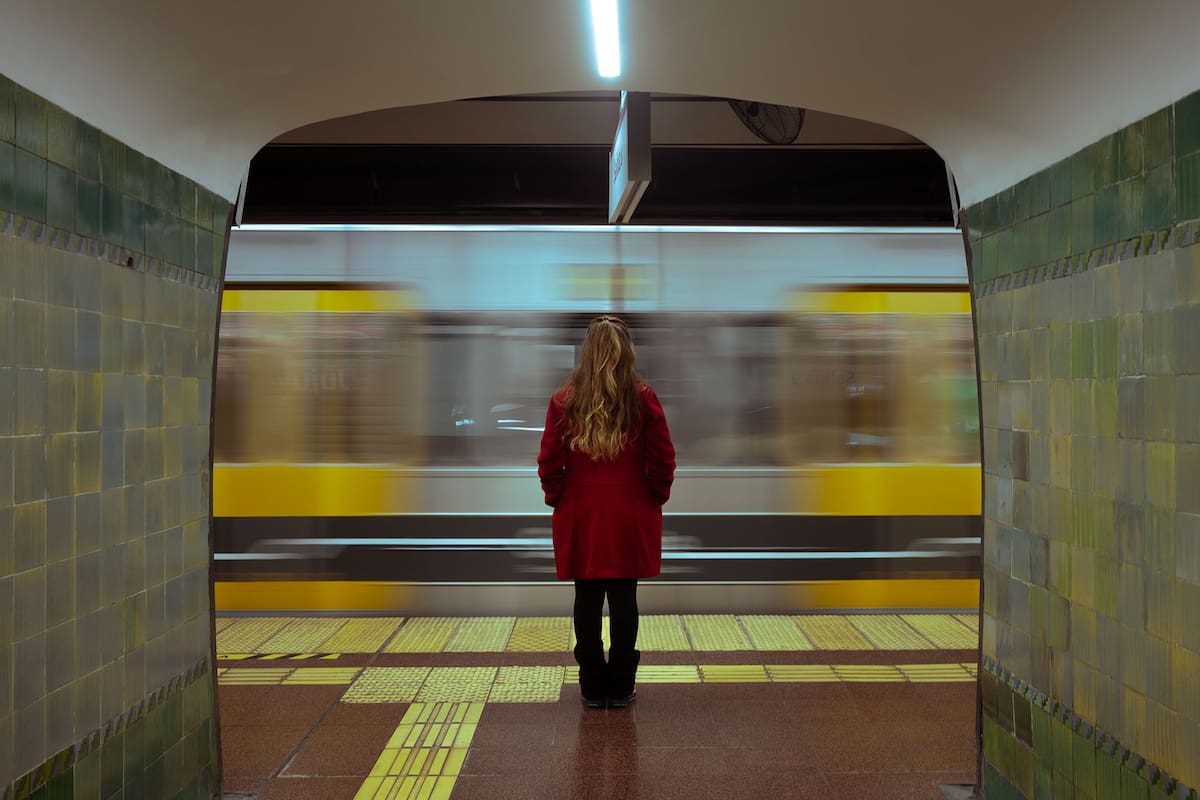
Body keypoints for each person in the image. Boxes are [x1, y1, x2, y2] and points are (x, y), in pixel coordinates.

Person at [537, 315, 676, 709]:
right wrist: (652, 498)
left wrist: (560, 498)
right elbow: (663, 458)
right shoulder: (643, 398)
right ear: (627, 353)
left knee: (586, 596)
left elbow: (549, 462)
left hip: (581, 514)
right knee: (624, 597)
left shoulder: (564, 401)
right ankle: (621, 684)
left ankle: (592, 685)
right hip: (629, 514)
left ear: (586, 353)